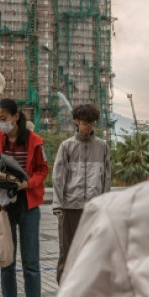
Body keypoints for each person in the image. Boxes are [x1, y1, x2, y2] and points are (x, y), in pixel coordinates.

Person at [0, 99, 49, 297]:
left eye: (4, 118)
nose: (1, 123)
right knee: (6, 258)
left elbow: (43, 170)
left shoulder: (35, 141)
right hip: (4, 205)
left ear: (16, 117)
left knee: (31, 260)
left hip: (28, 204)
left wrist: (28, 182)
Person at [51, 103, 110, 284]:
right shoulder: (67, 146)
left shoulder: (102, 146)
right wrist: (57, 204)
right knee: (67, 251)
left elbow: (106, 177)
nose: (89, 126)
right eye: (85, 122)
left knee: (92, 250)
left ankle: (87, 290)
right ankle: (64, 290)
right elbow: (59, 176)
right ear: (76, 121)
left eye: (92, 123)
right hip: (69, 207)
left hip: (93, 208)